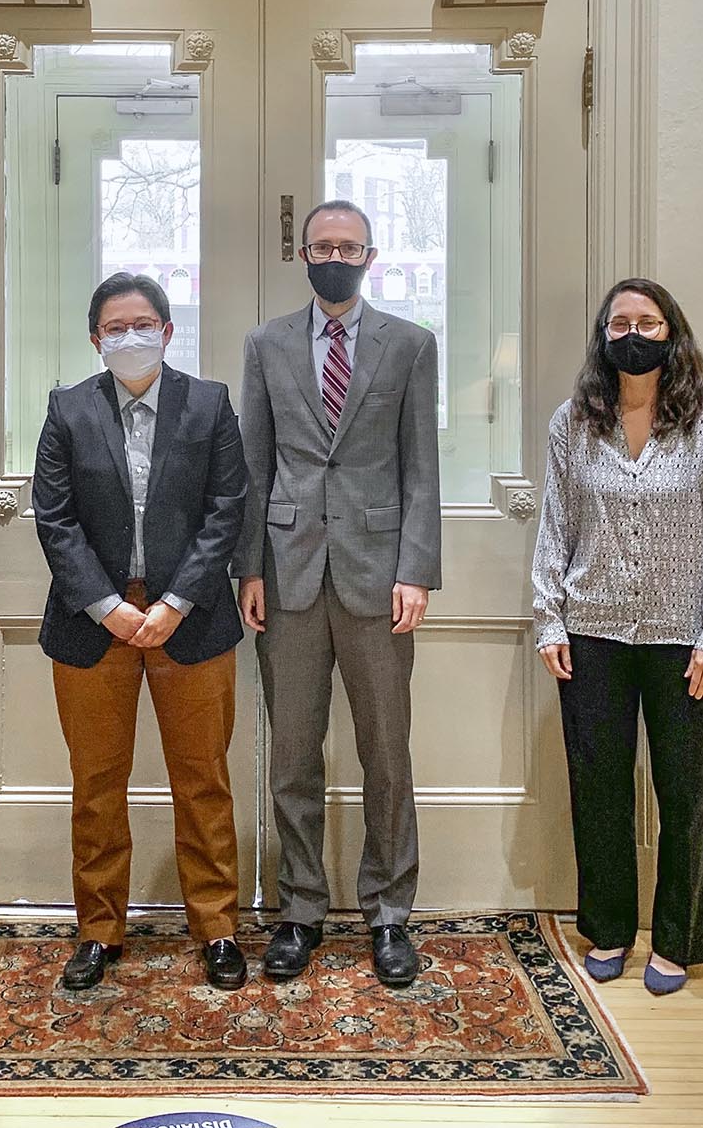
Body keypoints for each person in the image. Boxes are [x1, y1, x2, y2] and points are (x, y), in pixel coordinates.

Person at [234, 199, 442, 988]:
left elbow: (421, 464)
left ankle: (389, 912)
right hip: (285, 576)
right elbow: (254, 464)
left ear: (370, 254)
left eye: (348, 246)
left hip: (379, 574)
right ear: (303, 253)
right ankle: (299, 910)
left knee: (386, 753)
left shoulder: (411, 345)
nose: (334, 256)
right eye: (322, 245)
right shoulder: (265, 345)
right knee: (292, 755)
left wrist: (415, 569)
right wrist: (247, 569)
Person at [31, 273, 250, 991]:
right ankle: (98, 930)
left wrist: (178, 600)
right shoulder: (67, 410)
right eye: (115, 327)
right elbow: (54, 519)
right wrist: (106, 605)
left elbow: (227, 509)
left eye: (143, 323)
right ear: (95, 339)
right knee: (96, 785)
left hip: (191, 620)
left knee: (204, 781)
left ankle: (216, 927)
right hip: (94, 624)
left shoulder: (210, 404)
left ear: (168, 330)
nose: (131, 336)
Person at [532, 279, 703, 998]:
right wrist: (548, 618)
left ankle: (680, 938)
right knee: (599, 789)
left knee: (687, 792)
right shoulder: (574, 422)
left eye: (647, 322)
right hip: (591, 629)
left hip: (686, 638)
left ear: (671, 332)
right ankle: (611, 927)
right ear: (603, 335)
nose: (633, 333)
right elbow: (554, 524)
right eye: (620, 322)